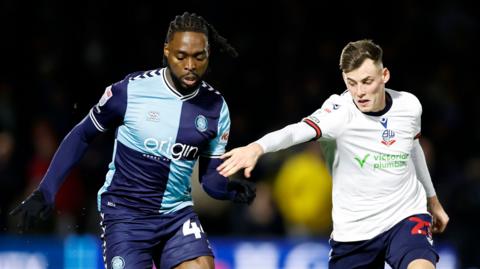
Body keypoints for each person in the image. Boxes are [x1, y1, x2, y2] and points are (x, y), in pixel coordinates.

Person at [10, 12, 256, 269]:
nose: (190, 65)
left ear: (208, 55)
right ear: (167, 51)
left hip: (175, 214)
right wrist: (46, 191)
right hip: (125, 215)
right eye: (181, 56)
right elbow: (83, 134)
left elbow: (209, 180)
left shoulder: (216, 108)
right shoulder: (130, 91)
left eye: (199, 56)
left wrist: (229, 189)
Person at [217, 39, 449, 269]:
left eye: (367, 81)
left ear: (384, 75)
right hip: (355, 232)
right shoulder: (338, 112)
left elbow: (414, 149)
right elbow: (296, 131)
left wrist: (433, 201)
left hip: (405, 216)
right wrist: (257, 147)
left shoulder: (409, 105)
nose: (359, 92)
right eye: (352, 83)